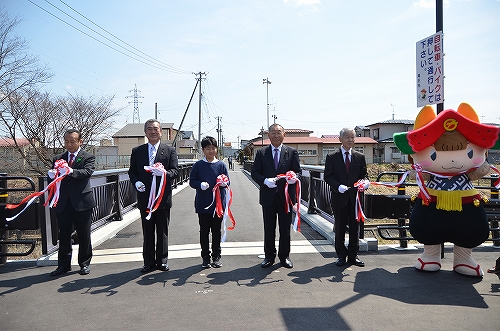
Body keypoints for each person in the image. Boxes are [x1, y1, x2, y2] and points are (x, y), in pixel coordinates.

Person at [128, 119, 179, 273]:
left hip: (162, 198)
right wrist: (136, 183)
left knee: (162, 230)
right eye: (149, 129)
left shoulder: (169, 151)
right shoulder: (137, 151)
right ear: (145, 132)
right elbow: (133, 172)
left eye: (155, 129)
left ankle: (162, 261)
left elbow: (175, 171)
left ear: (161, 132)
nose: (152, 131)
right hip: (145, 198)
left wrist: (164, 174)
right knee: (147, 231)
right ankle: (148, 262)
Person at [251, 123, 301, 269]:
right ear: (268, 135)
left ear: (284, 134)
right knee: (269, 228)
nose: (276, 135)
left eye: (279, 132)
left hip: (286, 197)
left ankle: (284, 256)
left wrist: (293, 178)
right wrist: (265, 181)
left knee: (285, 228)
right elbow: (255, 173)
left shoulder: (292, 152)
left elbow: (297, 171)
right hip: (268, 196)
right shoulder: (261, 153)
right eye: (273, 132)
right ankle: (269, 256)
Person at [49, 129, 96, 276]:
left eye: (72, 141)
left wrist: (71, 171)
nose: (69, 144)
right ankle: (63, 265)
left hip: (82, 202)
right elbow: (55, 180)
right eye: (66, 141)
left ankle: (84, 263)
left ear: (80, 141)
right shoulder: (58, 158)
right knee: (63, 235)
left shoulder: (87, 156)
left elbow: (87, 173)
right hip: (63, 202)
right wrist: (52, 175)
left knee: (84, 234)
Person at [324, 128, 369, 267]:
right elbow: (328, 176)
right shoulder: (332, 157)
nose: (350, 140)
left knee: (355, 228)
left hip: (355, 199)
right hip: (339, 197)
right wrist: (338, 186)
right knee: (340, 227)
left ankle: (353, 255)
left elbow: (364, 175)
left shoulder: (359, 157)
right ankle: (341, 255)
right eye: (347, 137)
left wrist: (366, 182)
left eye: (352, 137)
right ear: (340, 139)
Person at [189, 136, 229, 269]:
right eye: (208, 149)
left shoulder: (221, 165)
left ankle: (216, 257)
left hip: (218, 205)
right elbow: (192, 181)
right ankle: (205, 257)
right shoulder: (198, 165)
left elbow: (228, 181)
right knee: (204, 231)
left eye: (213, 148)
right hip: (203, 204)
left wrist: (224, 183)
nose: (211, 151)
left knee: (216, 231)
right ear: (203, 150)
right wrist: (200, 184)